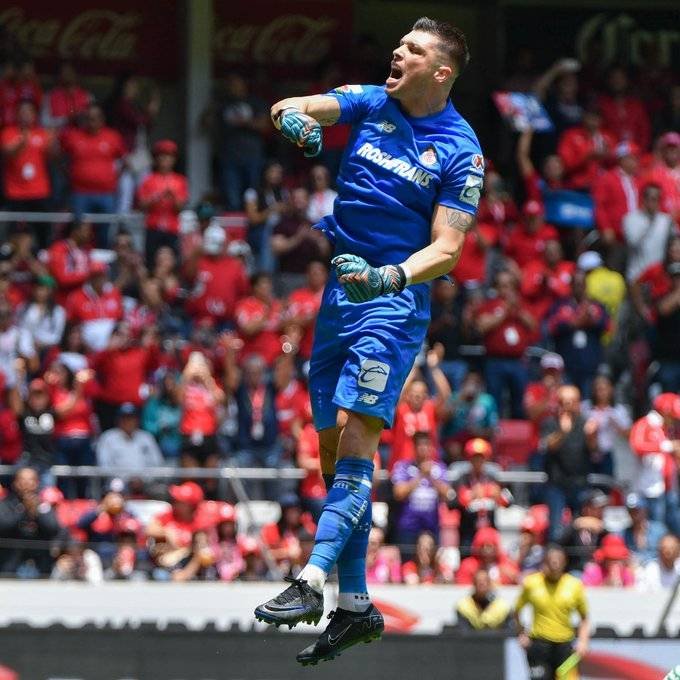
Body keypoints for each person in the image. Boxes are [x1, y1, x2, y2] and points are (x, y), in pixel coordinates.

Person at [254, 18, 483, 665]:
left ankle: (311, 582)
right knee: (333, 461)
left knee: (357, 440)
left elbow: (448, 247)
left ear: (440, 72)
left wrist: (392, 275)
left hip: (391, 300)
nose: (398, 52)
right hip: (338, 296)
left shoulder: (460, 149)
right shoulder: (374, 101)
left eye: (412, 50)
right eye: (400, 44)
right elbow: (296, 105)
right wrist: (292, 120)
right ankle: (354, 606)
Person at [514, 547, 590, 680]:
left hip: (565, 647)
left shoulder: (574, 585)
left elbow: (584, 618)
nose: (554, 565)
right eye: (551, 562)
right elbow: (516, 611)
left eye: (558, 561)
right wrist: (521, 633)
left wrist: (583, 641)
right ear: (544, 563)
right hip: (539, 645)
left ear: (564, 563)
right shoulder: (532, 583)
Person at [60, 103, 125, 247]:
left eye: (95, 118)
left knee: (105, 229)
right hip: (80, 192)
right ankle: (80, 261)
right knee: (80, 230)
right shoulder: (74, 136)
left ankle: (102, 261)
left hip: (106, 193)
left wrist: (114, 178)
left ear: (102, 119)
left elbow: (123, 161)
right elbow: (60, 159)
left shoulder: (112, 137)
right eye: (88, 118)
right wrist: (71, 176)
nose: (91, 121)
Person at [475, 269, 536, 418]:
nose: (506, 289)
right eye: (502, 285)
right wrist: (505, 311)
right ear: (497, 287)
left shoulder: (522, 305)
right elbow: (482, 326)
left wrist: (518, 310)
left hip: (518, 361)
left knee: (520, 400)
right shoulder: (489, 305)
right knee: (494, 400)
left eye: (509, 285)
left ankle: (520, 434)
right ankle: (495, 432)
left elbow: (533, 325)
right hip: (495, 360)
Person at [542, 385, 598, 541]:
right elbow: (549, 446)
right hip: (557, 485)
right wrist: (563, 432)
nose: (567, 406)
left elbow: (594, 450)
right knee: (556, 530)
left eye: (571, 402)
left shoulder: (585, 423)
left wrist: (592, 436)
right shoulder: (550, 423)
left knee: (582, 529)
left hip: (580, 483)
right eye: (563, 402)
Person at [1, 100, 56, 246]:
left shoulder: (42, 133)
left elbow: (53, 157)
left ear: (35, 115)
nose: (26, 115)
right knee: (13, 231)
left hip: (39, 191)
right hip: (15, 191)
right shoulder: (8, 133)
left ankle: (43, 255)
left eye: (29, 112)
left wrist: (53, 142)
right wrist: (23, 139)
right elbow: (8, 153)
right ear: (17, 114)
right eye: (22, 112)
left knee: (42, 229)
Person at [546, 271, 608, 398]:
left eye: (581, 284)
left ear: (586, 286)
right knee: (566, 398)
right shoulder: (561, 305)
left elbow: (605, 325)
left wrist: (583, 320)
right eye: (576, 284)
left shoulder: (595, 305)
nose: (579, 287)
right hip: (567, 364)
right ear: (571, 286)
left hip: (590, 364)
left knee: (587, 401)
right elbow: (554, 327)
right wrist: (580, 321)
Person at [391, 431, 452, 559]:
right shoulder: (403, 466)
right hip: (408, 525)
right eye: (419, 445)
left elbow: (448, 494)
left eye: (426, 445)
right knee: (407, 565)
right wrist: (420, 476)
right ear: (414, 447)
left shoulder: (440, 468)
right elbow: (398, 493)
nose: (423, 448)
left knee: (430, 564)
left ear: (431, 447)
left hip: (432, 525)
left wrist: (431, 478)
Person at [629, 393, 680, 534]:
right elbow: (636, 445)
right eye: (673, 417)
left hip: (669, 487)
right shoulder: (645, 424)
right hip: (650, 489)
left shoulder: (666, 428)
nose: (675, 421)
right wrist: (666, 446)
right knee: (655, 528)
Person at [184, 224, 250, 329]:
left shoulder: (235, 266)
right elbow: (188, 276)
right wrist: (195, 254)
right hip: (198, 319)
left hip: (226, 322)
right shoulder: (199, 261)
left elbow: (243, 292)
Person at [0, 467, 62, 577]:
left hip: (40, 563)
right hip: (10, 563)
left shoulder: (44, 506)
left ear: (37, 483)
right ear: (15, 483)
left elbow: (53, 528)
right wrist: (23, 510)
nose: (26, 484)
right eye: (22, 480)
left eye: (31, 480)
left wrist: (36, 512)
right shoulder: (6, 504)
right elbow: (4, 525)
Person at [136, 139, 189, 267]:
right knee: (151, 264)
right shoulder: (148, 180)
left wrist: (173, 195)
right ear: (157, 159)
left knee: (173, 264)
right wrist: (157, 197)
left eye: (169, 156)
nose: (165, 160)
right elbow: (141, 205)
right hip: (153, 228)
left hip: (172, 228)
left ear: (174, 159)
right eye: (162, 156)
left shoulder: (180, 180)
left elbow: (180, 207)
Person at [454, 438, 512, 553]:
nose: (478, 462)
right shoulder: (462, 479)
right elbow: (452, 502)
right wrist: (470, 495)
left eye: (481, 458)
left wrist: (497, 495)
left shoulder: (492, 478)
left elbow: (509, 500)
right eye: (474, 458)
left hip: (490, 530)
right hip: (468, 531)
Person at [623, 182, 676, 283]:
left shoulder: (666, 220)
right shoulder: (630, 219)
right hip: (636, 277)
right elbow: (633, 243)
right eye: (651, 198)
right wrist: (650, 222)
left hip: (657, 278)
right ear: (644, 199)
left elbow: (675, 243)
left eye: (657, 199)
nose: (654, 203)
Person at [96, 402, 163, 471]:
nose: (128, 422)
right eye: (125, 418)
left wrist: (143, 478)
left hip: (145, 480)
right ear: (118, 420)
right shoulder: (108, 437)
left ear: (137, 420)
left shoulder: (146, 437)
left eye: (131, 418)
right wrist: (127, 478)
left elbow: (157, 463)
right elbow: (104, 465)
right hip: (118, 480)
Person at [559, 489, 609, 575]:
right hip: (576, 570)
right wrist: (576, 524)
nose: (601, 511)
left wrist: (601, 527)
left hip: (598, 571)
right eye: (597, 508)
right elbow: (559, 542)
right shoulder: (574, 524)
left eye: (603, 508)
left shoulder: (604, 529)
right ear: (586, 508)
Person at [621, 493, 667, 567]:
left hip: (656, 569)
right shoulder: (623, 534)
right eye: (631, 511)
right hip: (634, 570)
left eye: (637, 510)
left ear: (645, 510)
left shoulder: (659, 530)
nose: (634, 514)